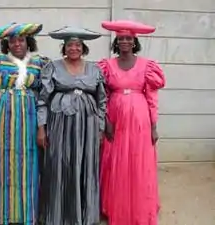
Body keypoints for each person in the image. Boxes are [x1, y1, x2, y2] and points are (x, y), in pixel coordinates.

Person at [0, 22, 49, 225]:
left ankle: (25, 213)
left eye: (21, 40)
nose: (17, 43)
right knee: (1, 161)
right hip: (1, 118)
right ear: (7, 44)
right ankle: (0, 212)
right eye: (12, 40)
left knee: (28, 162)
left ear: (28, 42)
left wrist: (43, 125)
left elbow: (44, 93)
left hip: (28, 118)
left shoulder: (38, 63)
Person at [97, 20, 166, 225]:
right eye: (121, 38)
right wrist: (106, 121)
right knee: (114, 161)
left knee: (138, 162)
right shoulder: (107, 66)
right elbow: (103, 95)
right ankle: (114, 206)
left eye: (128, 38)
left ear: (134, 41)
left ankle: (140, 208)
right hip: (115, 118)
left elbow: (152, 97)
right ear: (116, 42)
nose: (125, 41)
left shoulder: (147, 66)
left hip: (140, 120)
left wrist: (153, 126)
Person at [36, 26, 106, 225]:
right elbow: (42, 99)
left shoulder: (94, 69)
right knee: (60, 163)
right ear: (64, 48)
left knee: (85, 164)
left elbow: (101, 100)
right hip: (60, 124)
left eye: (77, 45)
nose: (73, 48)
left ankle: (84, 215)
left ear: (83, 48)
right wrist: (42, 127)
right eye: (69, 45)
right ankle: (58, 216)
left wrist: (100, 128)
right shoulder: (53, 67)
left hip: (88, 124)